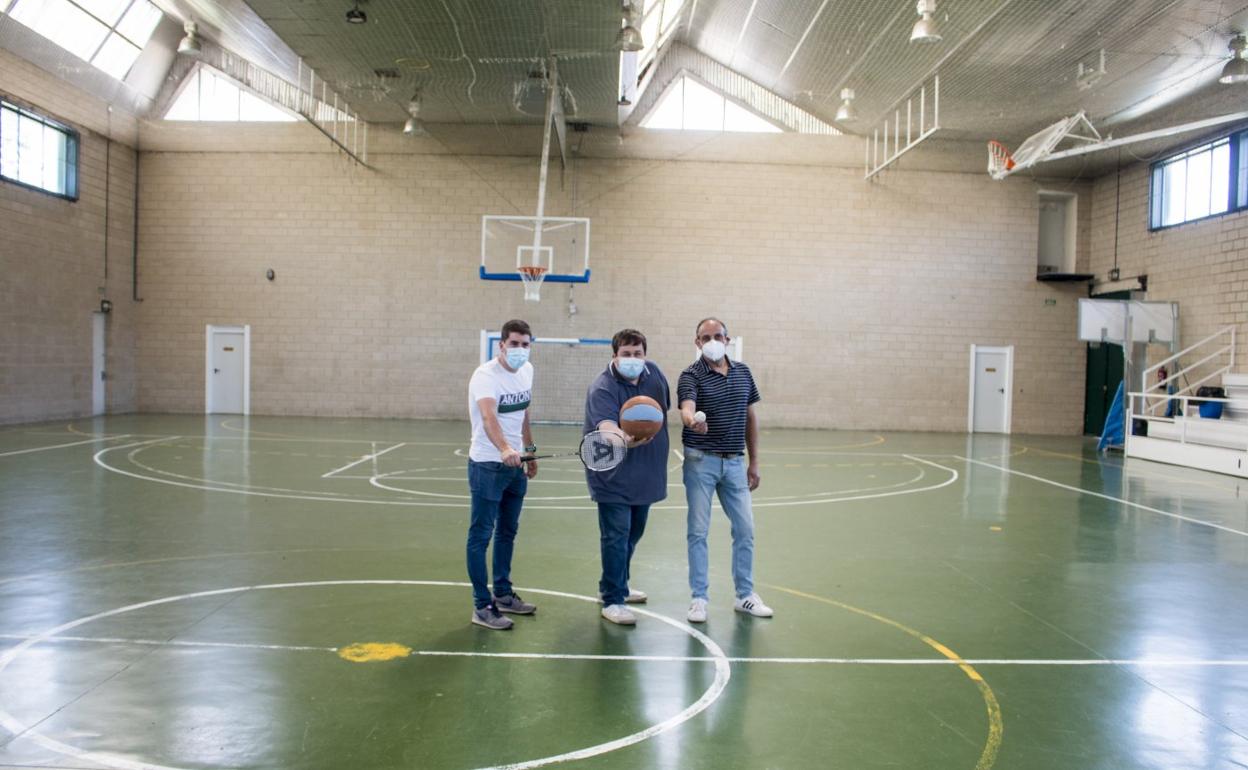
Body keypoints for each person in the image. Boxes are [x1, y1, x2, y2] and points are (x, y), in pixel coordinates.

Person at [678, 317, 773, 623]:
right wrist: (693, 421)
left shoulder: (743, 373)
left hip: (734, 463)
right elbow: (686, 407)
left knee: (745, 529)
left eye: (718, 335)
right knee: (698, 531)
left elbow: (750, 417)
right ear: (697, 343)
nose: (712, 341)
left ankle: (745, 595)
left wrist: (754, 461)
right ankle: (699, 599)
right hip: (699, 462)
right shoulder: (690, 375)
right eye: (706, 337)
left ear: (728, 339)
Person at [584, 329, 671, 625]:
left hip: (646, 471)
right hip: (612, 472)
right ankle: (612, 600)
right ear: (615, 356)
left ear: (644, 355)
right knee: (616, 536)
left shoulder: (654, 374)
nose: (632, 359)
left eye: (637, 353)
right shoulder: (603, 387)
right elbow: (606, 426)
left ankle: (615, 583)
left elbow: (660, 412)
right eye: (626, 354)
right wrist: (622, 437)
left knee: (634, 532)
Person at [465, 319, 539, 630]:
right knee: (480, 536)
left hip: (516, 466)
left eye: (525, 344)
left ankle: (504, 594)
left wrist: (529, 448)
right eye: (514, 344)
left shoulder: (527, 371)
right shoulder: (485, 376)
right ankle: (482, 606)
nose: (520, 349)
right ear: (502, 345)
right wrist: (506, 448)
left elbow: (523, 411)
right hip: (488, 464)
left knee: (508, 532)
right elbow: (487, 415)